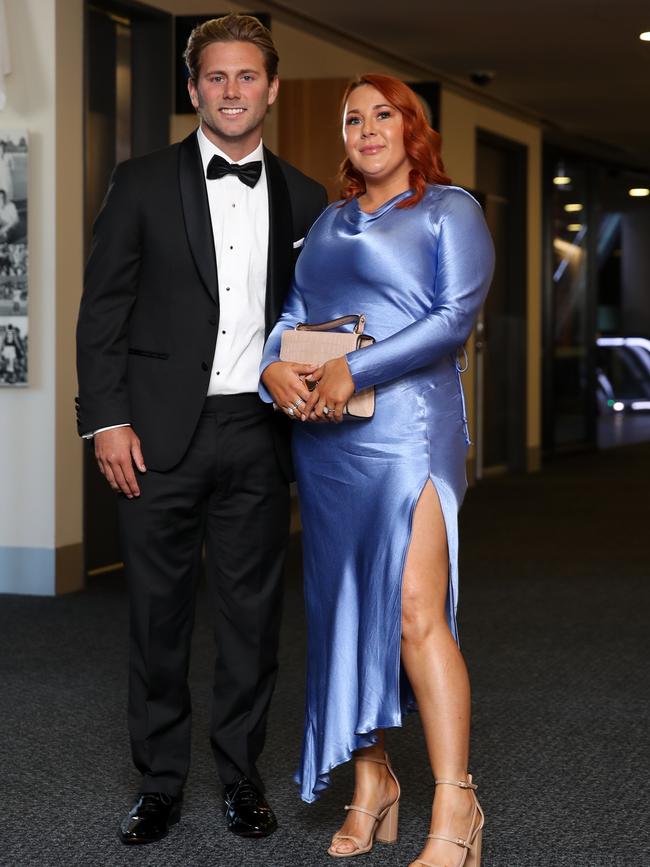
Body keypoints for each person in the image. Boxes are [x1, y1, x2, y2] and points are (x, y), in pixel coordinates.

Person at [75, 14, 326, 846]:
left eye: (246, 76)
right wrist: (106, 418)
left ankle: (241, 774)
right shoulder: (141, 180)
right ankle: (159, 782)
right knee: (158, 615)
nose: (230, 91)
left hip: (258, 432)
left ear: (272, 88)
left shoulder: (306, 196)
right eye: (215, 77)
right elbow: (102, 308)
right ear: (193, 89)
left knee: (252, 616)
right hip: (153, 437)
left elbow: (314, 321)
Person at [261, 74, 494, 866]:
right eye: (352, 118)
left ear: (411, 127)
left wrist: (354, 370)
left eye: (382, 114)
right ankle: (372, 781)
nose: (366, 128)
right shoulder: (328, 223)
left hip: (411, 433)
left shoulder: (448, 210)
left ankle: (457, 803)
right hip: (329, 441)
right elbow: (293, 316)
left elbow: (452, 320)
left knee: (413, 611)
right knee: (344, 611)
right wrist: (271, 369)